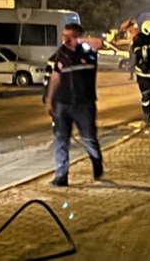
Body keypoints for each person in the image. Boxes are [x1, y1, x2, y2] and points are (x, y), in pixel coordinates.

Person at [44, 23, 104, 187]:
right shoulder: (61, 54)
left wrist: (78, 40)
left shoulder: (87, 51)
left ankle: (96, 159)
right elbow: (55, 77)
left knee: (88, 138)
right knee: (61, 140)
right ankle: (61, 175)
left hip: (84, 104)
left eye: (69, 36)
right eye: (64, 35)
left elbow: (99, 43)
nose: (65, 39)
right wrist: (50, 100)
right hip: (62, 104)